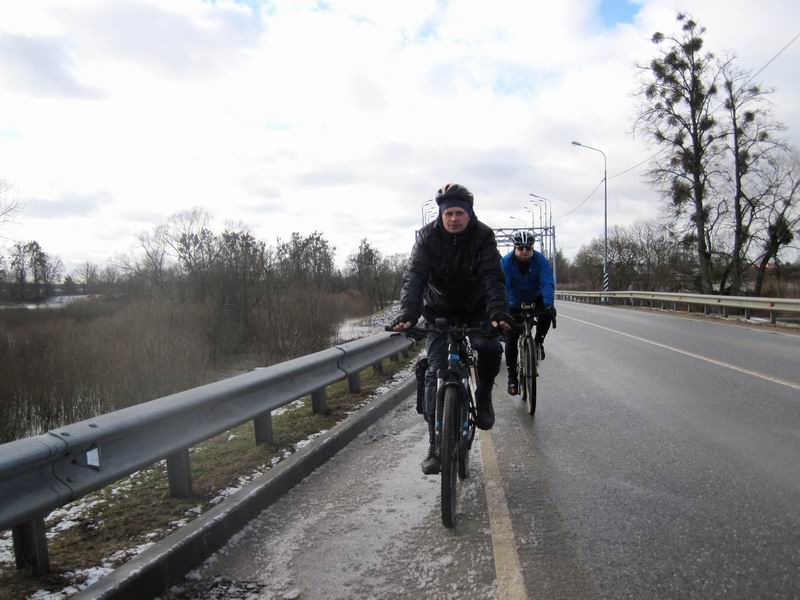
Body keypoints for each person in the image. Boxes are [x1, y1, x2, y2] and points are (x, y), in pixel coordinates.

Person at [392, 183, 512, 475]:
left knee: (488, 348)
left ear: (469, 214)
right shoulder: (427, 238)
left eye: (459, 213)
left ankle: (482, 396)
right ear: (441, 215)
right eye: (449, 213)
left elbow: (492, 277)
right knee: (434, 373)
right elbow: (415, 276)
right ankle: (436, 446)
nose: (454, 218)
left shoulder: (483, 237)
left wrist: (497, 311)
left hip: (476, 308)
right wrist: (408, 312)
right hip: (439, 311)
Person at [502, 230, 556, 396]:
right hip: (513, 301)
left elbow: (547, 282)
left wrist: (548, 303)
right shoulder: (506, 262)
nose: (524, 251)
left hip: (535, 297)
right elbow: (503, 286)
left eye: (527, 247)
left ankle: (538, 342)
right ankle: (512, 378)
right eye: (520, 248)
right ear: (515, 248)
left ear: (532, 247)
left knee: (548, 313)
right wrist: (502, 309)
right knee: (511, 339)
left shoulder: (540, 261)